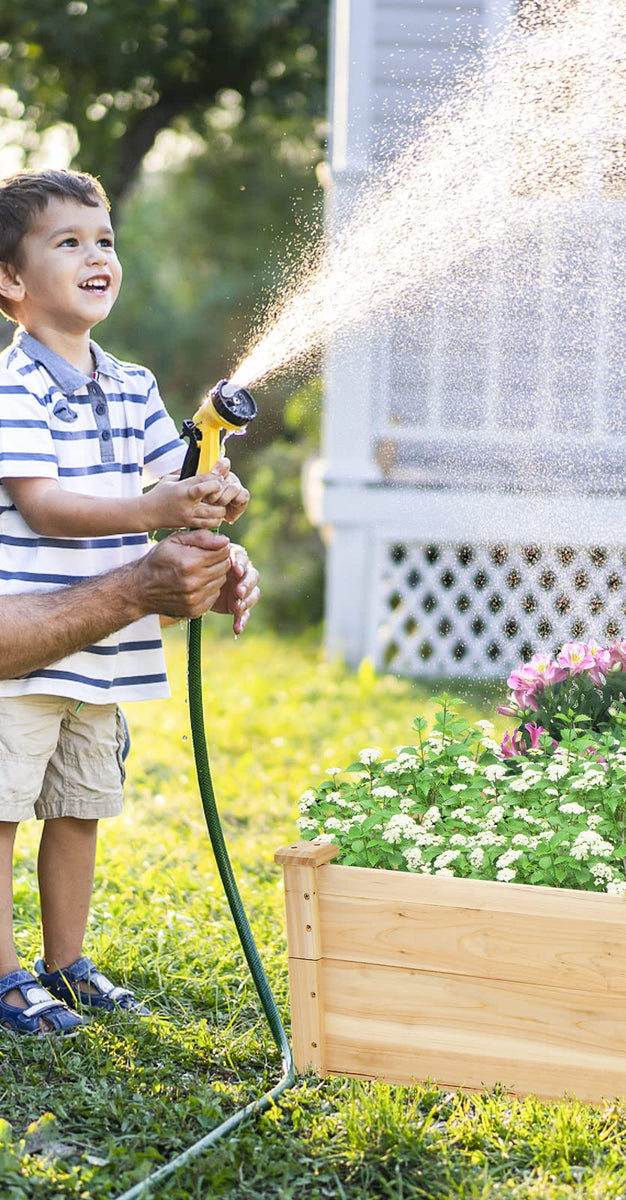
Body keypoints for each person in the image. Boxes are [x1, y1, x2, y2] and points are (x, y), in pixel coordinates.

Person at [0, 167, 252, 1034]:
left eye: (103, 239)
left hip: (107, 650)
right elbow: (42, 504)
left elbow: (168, 482)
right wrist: (155, 511)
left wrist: (215, 502)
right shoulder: (13, 386)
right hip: (26, 647)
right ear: (11, 280)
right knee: (2, 813)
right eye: (66, 242)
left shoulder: (135, 385)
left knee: (78, 807)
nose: (95, 254)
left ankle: (66, 964)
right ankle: (3, 977)